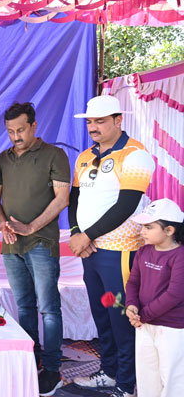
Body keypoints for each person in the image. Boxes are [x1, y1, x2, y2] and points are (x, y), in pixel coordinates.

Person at [68, 95, 155, 397]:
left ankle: (127, 384)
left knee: (122, 318)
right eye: (90, 121)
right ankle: (109, 372)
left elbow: (126, 205)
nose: (93, 127)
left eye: (100, 121)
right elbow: (75, 199)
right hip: (90, 251)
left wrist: (87, 236)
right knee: (102, 315)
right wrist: (77, 232)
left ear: (118, 120)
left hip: (119, 251)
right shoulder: (84, 156)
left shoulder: (135, 154)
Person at [0, 103, 70, 396]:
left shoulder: (54, 155)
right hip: (11, 245)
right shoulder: (3, 159)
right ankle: (30, 360)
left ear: (34, 126)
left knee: (49, 308)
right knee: (23, 306)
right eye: (11, 131)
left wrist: (31, 227)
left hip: (42, 244)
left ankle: (52, 369)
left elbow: (62, 199)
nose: (16, 136)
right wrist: (3, 223)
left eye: (21, 130)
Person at [125, 199, 184, 397]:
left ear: (169, 230)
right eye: (143, 226)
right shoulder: (143, 251)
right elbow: (133, 282)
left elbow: (174, 294)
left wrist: (143, 315)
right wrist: (131, 306)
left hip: (172, 327)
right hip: (144, 324)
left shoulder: (180, 256)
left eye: (149, 227)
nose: (142, 231)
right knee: (146, 375)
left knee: (172, 378)